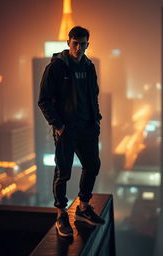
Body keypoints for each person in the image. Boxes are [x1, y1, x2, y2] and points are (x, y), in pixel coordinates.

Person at [38, 26, 105, 237]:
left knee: (92, 165)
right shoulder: (56, 67)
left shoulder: (89, 66)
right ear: (68, 43)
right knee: (63, 172)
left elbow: (93, 95)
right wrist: (58, 126)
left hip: (87, 128)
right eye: (75, 43)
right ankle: (61, 214)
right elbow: (44, 101)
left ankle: (83, 207)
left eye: (83, 44)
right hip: (67, 130)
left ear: (88, 44)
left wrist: (96, 120)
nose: (79, 47)